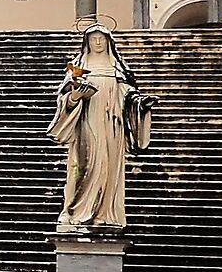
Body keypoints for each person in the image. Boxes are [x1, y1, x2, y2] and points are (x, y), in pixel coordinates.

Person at [47, 26, 152, 231]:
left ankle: (105, 214)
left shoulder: (117, 68)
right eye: (93, 39)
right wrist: (75, 97)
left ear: (108, 42)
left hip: (112, 125)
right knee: (85, 165)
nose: (97, 43)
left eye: (101, 39)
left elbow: (128, 95)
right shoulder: (78, 66)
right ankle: (76, 211)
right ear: (86, 42)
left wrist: (141, 104)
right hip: (86, 123)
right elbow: (64, 97)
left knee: (108, 167)